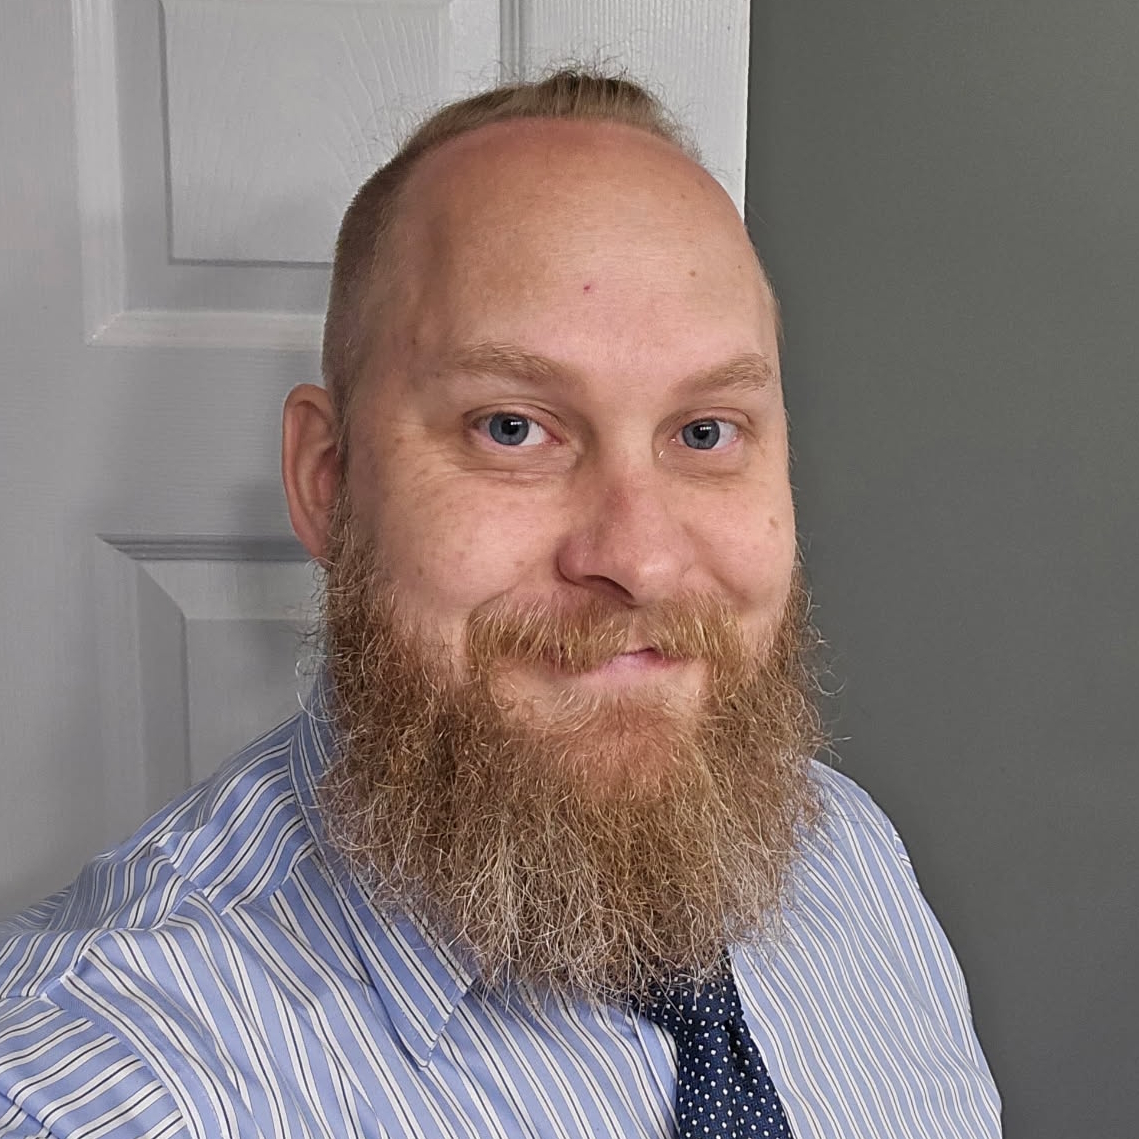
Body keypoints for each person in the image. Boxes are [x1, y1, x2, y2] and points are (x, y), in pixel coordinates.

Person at [0, 72, 1000, 1138]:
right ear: (328, 482)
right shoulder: (104, 1085)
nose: (640, 560)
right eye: (511, 427)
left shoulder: (845, 848)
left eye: (704, 431)